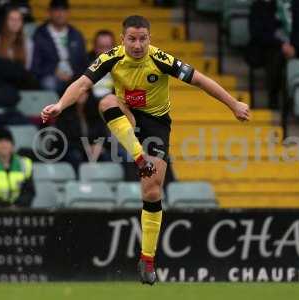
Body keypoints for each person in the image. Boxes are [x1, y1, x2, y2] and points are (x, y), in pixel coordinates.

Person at [41, 15, 250, 285]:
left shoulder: (161, 59)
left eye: (143, 38)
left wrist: (233, 104)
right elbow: (82, 84)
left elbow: (200, 80)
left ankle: (147, 259)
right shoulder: (111, 58)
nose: (137, 44)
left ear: (150, 39)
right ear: (122, 39)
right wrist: (59, 105)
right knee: (106, 101)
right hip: (127, 114)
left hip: (157, 125)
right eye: (132, 39)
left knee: (152, 191)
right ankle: (138, 156)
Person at [248, 0, 299, 109]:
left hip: (295, 47)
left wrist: (295, 47)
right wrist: (281, 45)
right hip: (269, 47)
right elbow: (258, 33)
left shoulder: (296, 5)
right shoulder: (261, 5)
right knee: (275, 57)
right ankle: (274, 98)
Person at [31, 0, 87, 95]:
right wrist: (54, 70)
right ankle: (52, 109)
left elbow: (83, 63)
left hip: (73, 77)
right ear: (49, 12)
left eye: (64, 10)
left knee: (86, 84)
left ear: (68, 13)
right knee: (49, 83)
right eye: (56, 10)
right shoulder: (40, 34)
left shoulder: (76, 34)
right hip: (51, 76)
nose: (60, 14)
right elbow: (35, 66)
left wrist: (75, 76)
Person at [87, 30, 116, 98]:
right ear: (95, 47)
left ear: (114, 48)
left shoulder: (121, 64)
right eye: (101, 47)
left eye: (108, 47)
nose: (104, 52)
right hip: (90, 103)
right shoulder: (85, 62)